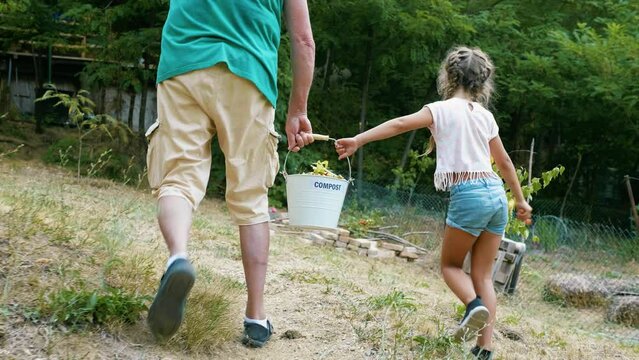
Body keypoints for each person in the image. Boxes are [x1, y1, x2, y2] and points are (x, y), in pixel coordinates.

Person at [335, 46, 532, 360]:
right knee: (482, 276)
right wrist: (520, 201)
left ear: (449, 77)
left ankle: (474, 306)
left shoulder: (439, 109)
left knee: (451, 266)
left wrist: (358, 139)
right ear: (482, 83)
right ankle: (485, 349)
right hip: (497, 196)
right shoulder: (485, 116)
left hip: (469, 194)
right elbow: (505, 161)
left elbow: (399, 124)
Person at [145, 0, 315, 348]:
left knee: (178, 178)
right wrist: (298, 109)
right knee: (251, 198)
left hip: (184, 59)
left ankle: (178, 257)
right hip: (248, 69)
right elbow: (303, 39)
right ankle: (255, 315)